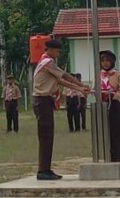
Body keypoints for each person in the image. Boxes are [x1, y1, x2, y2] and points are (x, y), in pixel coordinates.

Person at [33, 39, 88, 180]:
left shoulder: (46, 63)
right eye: (57, 51)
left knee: (48, 136)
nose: (58, 54)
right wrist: (80, 83)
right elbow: (64, 75)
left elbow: (59, 81)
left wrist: (79, 89)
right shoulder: (47, 62)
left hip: (45, 101)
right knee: (45, 136)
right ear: (50, 49)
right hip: (42, 100)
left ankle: (46, 168)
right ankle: (43, 170)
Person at [98, 51, 120, 163]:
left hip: (114, 105)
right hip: (101, 105)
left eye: (107, 60)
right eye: (103, 61)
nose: (105, 63)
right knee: (103, 133)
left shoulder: (117, 74)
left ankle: (116, 159)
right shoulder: (98, 74)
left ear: (112, 62)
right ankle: (105, 158)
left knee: (115, 133)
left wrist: (114, 95)